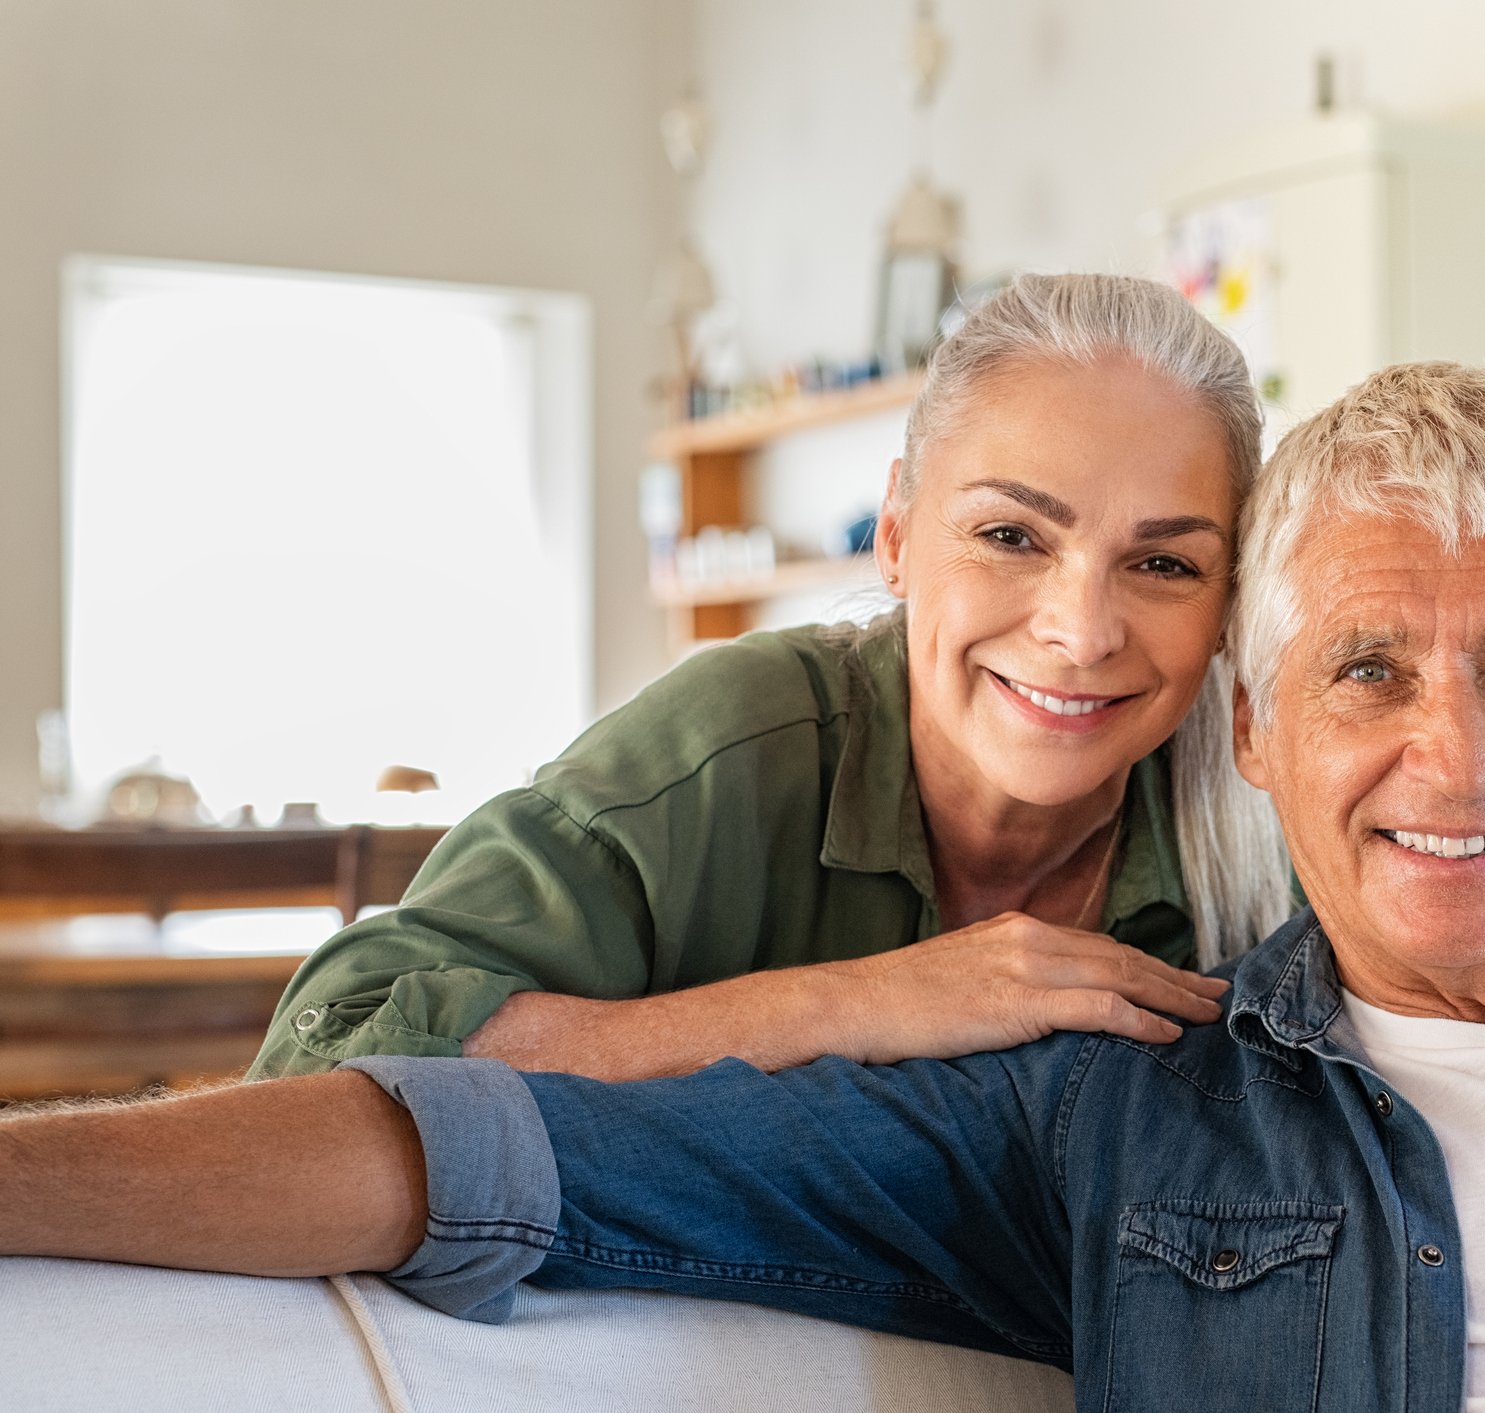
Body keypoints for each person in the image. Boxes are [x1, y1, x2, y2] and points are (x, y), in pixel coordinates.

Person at [7, 363, 1485, 1411]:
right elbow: (486, 1156)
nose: (1453, 754)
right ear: (1259, 731)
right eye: (1366, 670)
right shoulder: (1116, 1098)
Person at [250, 272, 1289, 1082]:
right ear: (894, 535)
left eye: (1164, 564)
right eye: (1011, 535)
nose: (1081, 630)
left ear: (1229, 602)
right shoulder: (734, 745)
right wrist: (855, 1005)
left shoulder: (1270, 820)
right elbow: (328, 1050)